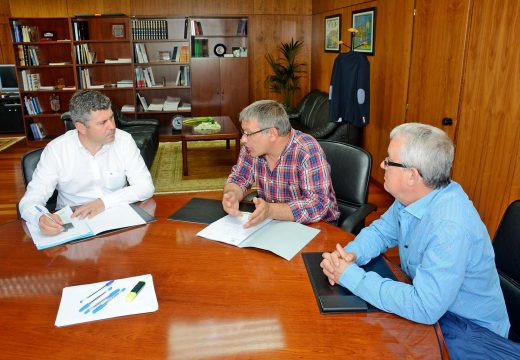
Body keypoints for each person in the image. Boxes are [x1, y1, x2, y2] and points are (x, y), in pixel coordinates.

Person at [320, 123, 517, 358]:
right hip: (434, 308)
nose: (382, 165)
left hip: (468, 334)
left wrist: (352, 276)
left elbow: (425, 307)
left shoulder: (450, 226)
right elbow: (382, 231)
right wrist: (352, 254)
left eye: (389, 160)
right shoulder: (417, 195)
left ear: (412, 175)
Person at [19, 90, 154, 235]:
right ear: (81, 127)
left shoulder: (124, 141)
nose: (112, 126)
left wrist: (103, 202)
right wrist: (40, 217)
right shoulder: (56, 150)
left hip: (116, 218)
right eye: (102, 123)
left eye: (111, 118)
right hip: (74, 223)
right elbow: (30, 200)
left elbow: (145, 187)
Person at [222, 99, 340, 228]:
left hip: (317, 226)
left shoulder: (307, 151)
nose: (243, 140)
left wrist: (271, 210)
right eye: (243, 133)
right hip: (273, 222)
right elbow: (239, 178)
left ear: (272, 133)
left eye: (248, 134)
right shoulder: (252, 148)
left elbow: (318, 205)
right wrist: (231, 194)